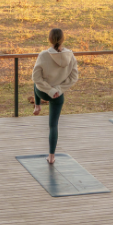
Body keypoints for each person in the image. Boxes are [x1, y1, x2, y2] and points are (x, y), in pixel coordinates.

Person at [32, 28, 78, 164]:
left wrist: (50, 90)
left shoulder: (43, 55)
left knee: (35, 83)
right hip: (58, 95)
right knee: (53, 125)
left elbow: (36, 77)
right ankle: (51, 156)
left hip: (43, 92)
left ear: (49, 39)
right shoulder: (71, 56)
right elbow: (74, 77)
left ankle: (37, 105)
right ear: (63, 39)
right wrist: (58, 89)